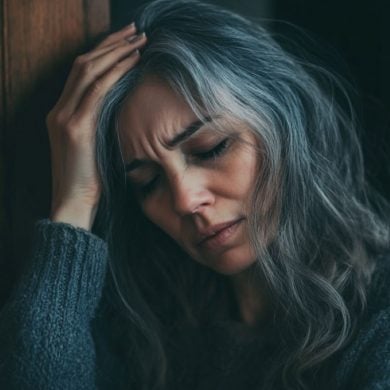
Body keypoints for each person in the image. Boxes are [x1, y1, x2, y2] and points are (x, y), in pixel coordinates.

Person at [1, 0, 389, 389]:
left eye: (211, 148)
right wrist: (74, 204)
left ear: (285, 123)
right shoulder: (142, 333)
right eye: (147, 183)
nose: (186, 201)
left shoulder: (378, 318)